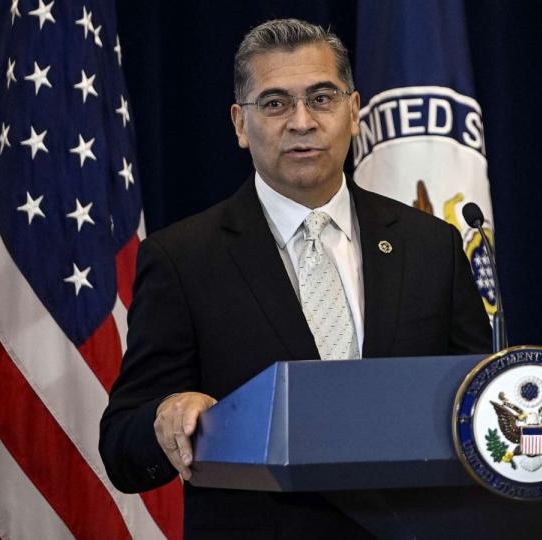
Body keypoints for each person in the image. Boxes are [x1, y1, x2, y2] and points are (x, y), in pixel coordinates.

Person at [99, 18, 491, 539]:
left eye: (322, 98)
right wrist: (166, 414)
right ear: (240, 124)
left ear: (354, 114)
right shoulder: (183, 259)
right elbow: (122, 446)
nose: (301, 122)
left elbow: (480, 404)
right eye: (276, 103)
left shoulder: (432, 247)